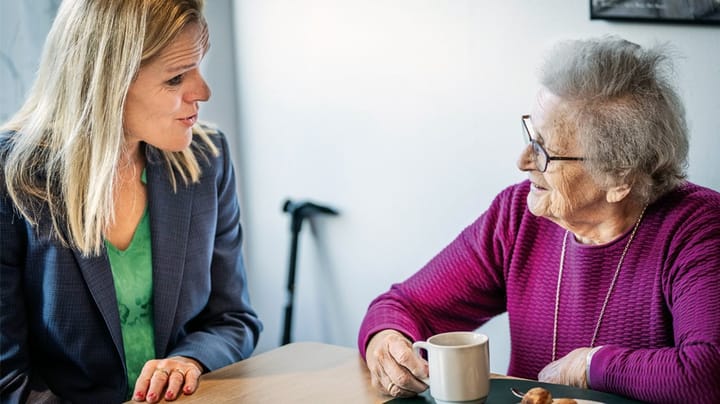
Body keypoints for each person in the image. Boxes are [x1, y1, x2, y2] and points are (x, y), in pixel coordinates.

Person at [358, 36, 720, 404]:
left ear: (619, 177)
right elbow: (404, 305)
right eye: (532, 135)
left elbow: (708, 373)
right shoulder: (516, 217)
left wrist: (591, 365)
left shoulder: (700, 229)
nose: (523, 161)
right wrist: (387, 341)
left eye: (546, 151)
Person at [0, 0, 262, 402]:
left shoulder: (208, 159)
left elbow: (233, 318)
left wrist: (190, 361)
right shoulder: (11, 176)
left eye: (198, 67)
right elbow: (7, 376)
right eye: (176, 78)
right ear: (105, 83)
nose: (203, 92)